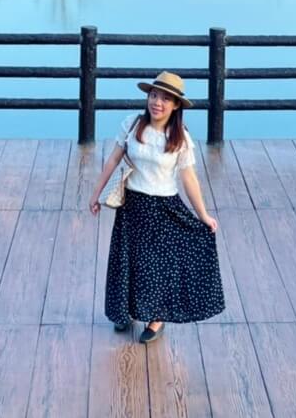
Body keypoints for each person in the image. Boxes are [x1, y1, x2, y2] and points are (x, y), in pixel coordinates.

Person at [90, 71, 224, 343]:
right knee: (128, 260)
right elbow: (113, 161)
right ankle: (124, 311)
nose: (157, 103)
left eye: (165, 99)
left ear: (175, 105)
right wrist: (96, 195)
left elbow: (189, 179)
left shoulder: (180, 138)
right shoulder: (132, 124)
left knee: (158, 267)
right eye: (153, 95)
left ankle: (156, 318)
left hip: (164, 207)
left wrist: (203, 215)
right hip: (132, 206)